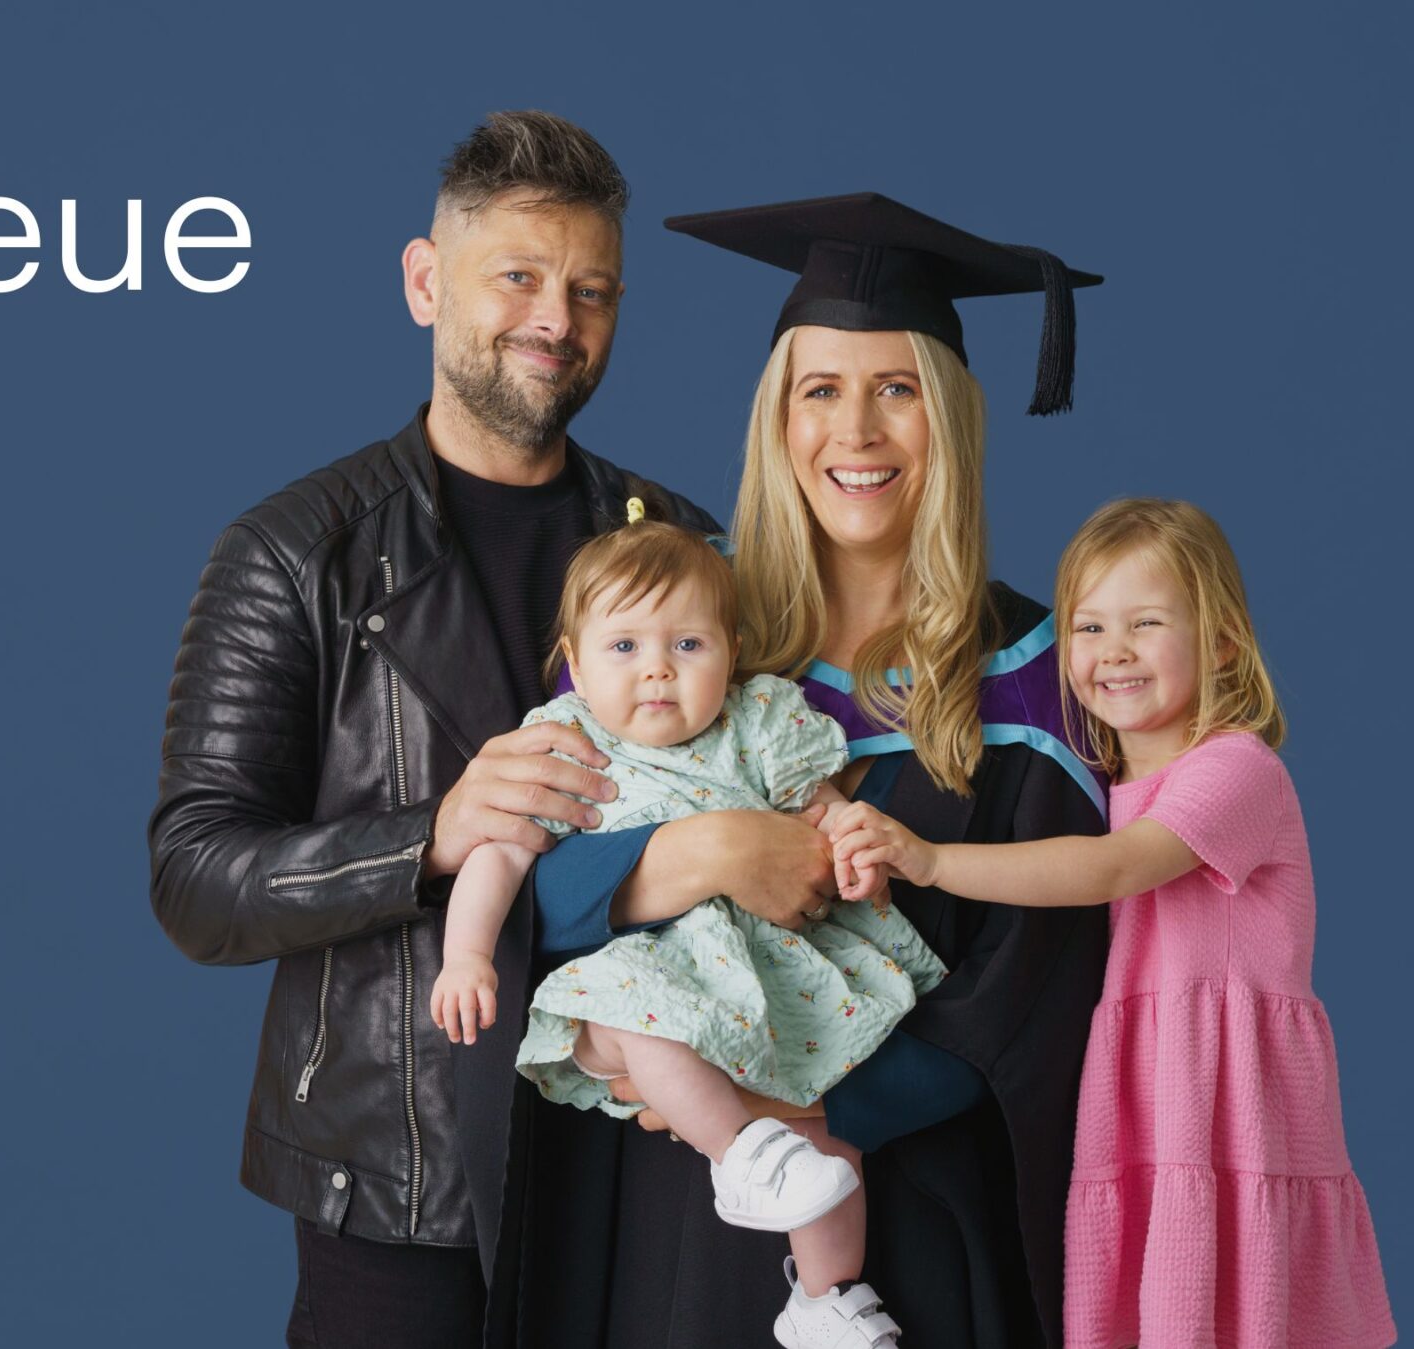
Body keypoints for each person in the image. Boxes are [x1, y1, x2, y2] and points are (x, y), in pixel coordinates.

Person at [147, 112, 753, 1349]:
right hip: (397, 1168)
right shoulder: (291, 550)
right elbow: (194, 877)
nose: (556, 320)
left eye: (591, 290)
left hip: (637, 1138)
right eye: (518, 277)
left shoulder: (680, 547)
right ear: (426, 284)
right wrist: (430, 834)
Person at [518, 194, 1112, 1347]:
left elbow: (1032, 996)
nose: (858, 431)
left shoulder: (1040, 675)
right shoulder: (668, 637)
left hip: (915, 1209)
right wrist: (679, 855)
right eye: (820, 390)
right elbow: (530, 894)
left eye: (898, 389)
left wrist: (793, 1109)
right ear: (776, 419)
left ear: (950, 416)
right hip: (680, 1226)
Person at [822, 498, 1395, 1349]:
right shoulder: (1095, 781)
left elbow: (1113, 869)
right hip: (1136, 1096)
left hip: (1224, 1095)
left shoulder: (1235, 768)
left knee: (1241, 1304)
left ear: (1224, 641)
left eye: (1147, 621)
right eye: (1089, 626)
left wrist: (932, 859)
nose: (1113, 650)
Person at [431, 518, 940, 1346]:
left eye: (689, 644)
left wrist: (853, 844)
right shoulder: (567, 744)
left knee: (828, 1138)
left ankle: (828, 1295)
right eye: (625, 645)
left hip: (766, 975)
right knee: (638, 1010)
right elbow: (498, 856)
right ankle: (737, 1152)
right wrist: (467, 954)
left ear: (733, 651)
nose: (658, 668)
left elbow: (822, 805)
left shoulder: (758, 720)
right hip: (645, 975)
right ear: (574, 658)